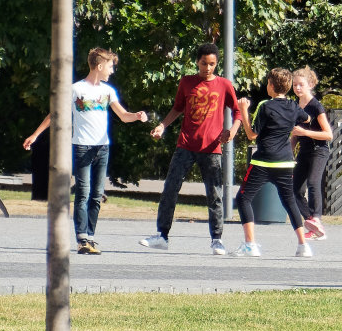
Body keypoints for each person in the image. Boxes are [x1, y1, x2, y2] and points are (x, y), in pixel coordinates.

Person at [23, 47, 148, 254]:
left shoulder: (108, 91)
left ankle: (90, 237)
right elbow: (55, 114)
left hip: (102, 148)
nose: (112, 71)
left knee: (97, 194)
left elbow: (124, 115)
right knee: (83, 192)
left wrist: (136, 116)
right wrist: (35, 135)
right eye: (110, 67)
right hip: (82, 147)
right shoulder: (75, 89)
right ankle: (82, 239)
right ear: (99, 66)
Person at [140, 43, 245, 255]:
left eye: (212, 64)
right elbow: (178, 108)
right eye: (204, 63)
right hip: (186, 144)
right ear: (197, 62)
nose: (208, 68)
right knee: (170, 188)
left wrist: (232, 131)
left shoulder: (224, 84)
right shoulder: (187, 82)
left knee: (214, 194)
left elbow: (237, 111)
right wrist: (162, 125)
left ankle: (217, 239)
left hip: (211, 147)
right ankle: (162, 235)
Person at [232, 68, 314, 258]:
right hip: (285, 162)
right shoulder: (293, 106)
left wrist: (243, 111)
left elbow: (252, 134)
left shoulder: (265, 106)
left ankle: (250, 244)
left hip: (263, 161)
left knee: (243, 198)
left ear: (270, 85)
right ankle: (303, 245)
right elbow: (307, 118)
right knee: (289, 201)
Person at [291, 67, 332, 240]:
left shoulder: (316, 106)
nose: (297, 88)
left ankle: (316, 218)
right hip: (304, 151)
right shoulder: (294, 106)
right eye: (294, 85)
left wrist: (305, 133)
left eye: (301, 84)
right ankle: (312, 223)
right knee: (295, 189)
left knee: (313, 182)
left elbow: (328, 135)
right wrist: (288, 152)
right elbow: (295, 134)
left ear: (311, 84)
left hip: (319, 150)